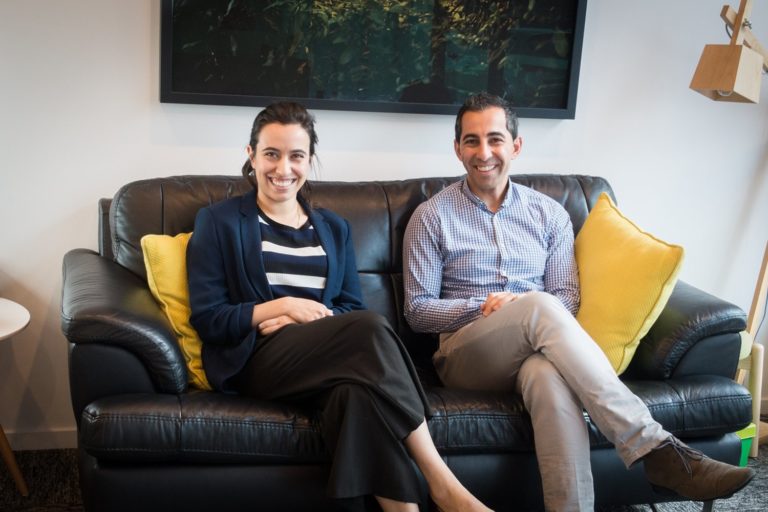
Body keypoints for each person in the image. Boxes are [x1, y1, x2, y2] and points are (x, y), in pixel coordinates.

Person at [402, 92, 755, 511]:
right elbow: (417, 310)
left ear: (516, 146)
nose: (484, 152)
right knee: (537, 305)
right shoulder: (431, 216)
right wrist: (484, 307)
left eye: (495, 139)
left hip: (535, 349)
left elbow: (566, 298)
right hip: (465, 356)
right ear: (458, 149)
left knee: (547, 378)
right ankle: (653, 446)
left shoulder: (549, 215)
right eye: (471, 141)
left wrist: (526, 307)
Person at [186, 102, 491, 512]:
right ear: (251, 155)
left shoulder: (333, 228)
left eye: (296, 156)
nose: (283, 168)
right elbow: (209, 318)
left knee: (355, 398)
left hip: (327, 354)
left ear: (309, 161)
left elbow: (348, 305)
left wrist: (315, 320)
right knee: (369, 328)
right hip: (258, 359)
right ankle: (442, 483)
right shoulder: (219, 221)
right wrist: (285, 307)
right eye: (271, 154)